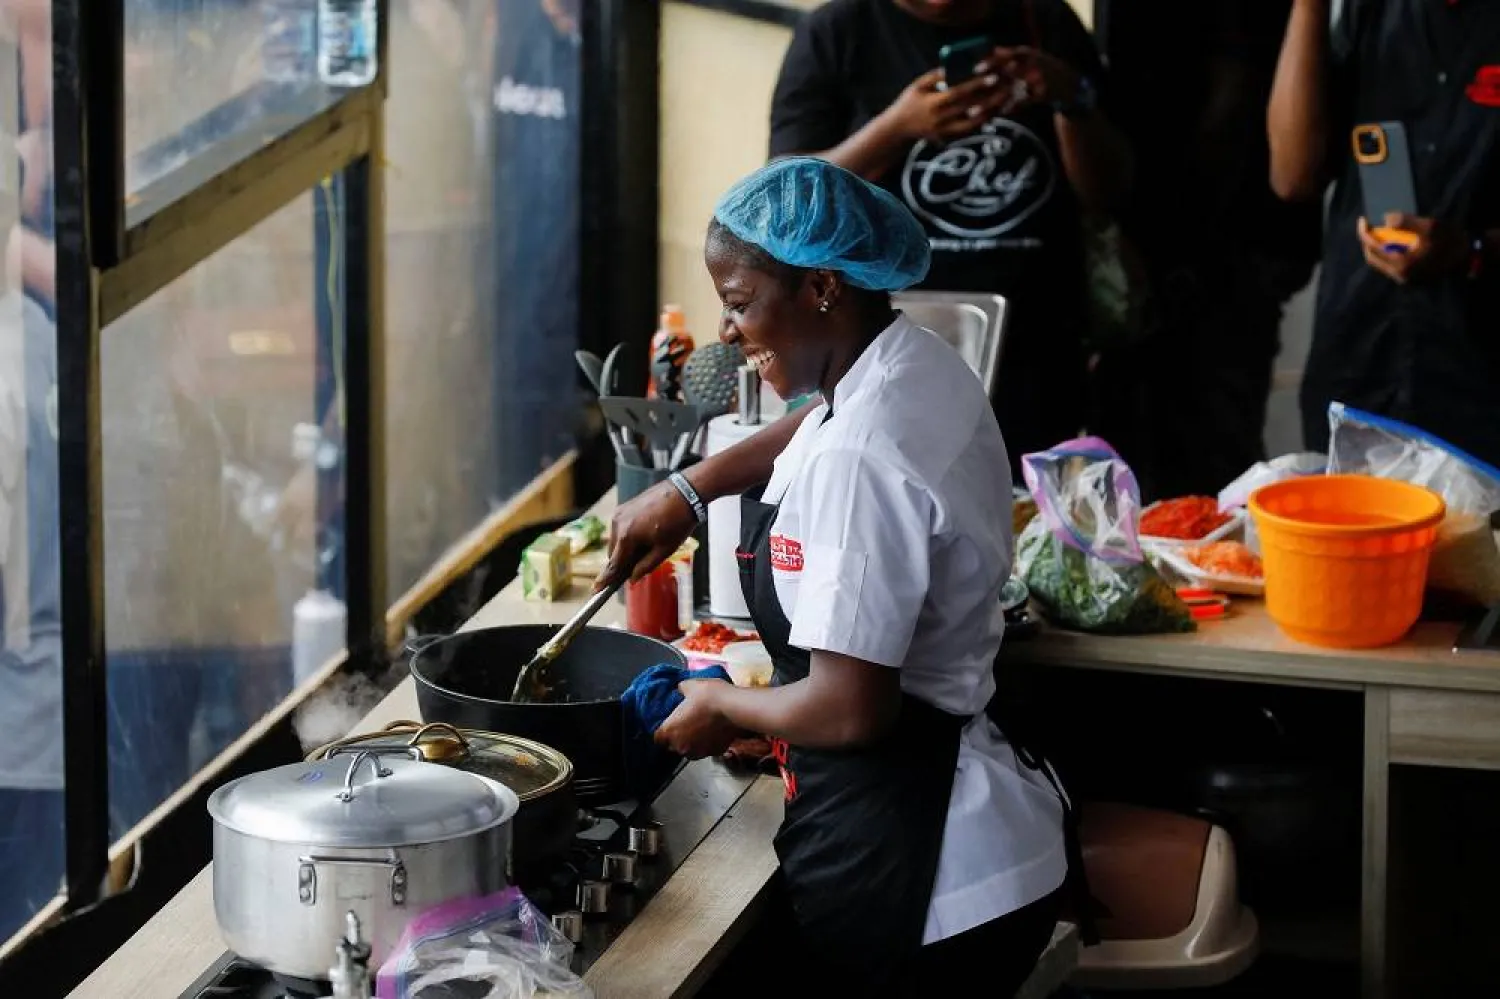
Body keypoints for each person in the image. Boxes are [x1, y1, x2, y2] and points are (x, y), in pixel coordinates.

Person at [599, 158, 1082, 996]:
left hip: (924, 870)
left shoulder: (862, 459)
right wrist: (688, 487)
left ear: (822, 287)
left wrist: (721, 703)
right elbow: (810, 428)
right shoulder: (907, 359)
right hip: (972, 816)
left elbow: (851, 707)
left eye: (741, 302)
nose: (725, 330)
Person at [767, 0, 1131, 470]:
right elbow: (784, 199)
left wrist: (1070, 98)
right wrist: (897, 128)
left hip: (1037, 346)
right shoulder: (838, 33)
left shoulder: (1042, 20)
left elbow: (1110, 189)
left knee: (1023, 513)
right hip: (890, 348)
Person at [1091, 0, 1322, 499]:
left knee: (1209, 470)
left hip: (1219, 252)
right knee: (1130, 462)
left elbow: (1232, 99)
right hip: (1152, 246)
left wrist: (1175, 252)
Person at [1269, 0, 1500, 464]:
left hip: (1482, 381)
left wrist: (1469, 251)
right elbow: (1293, 175)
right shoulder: (1367, 12)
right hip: (1360, 366)